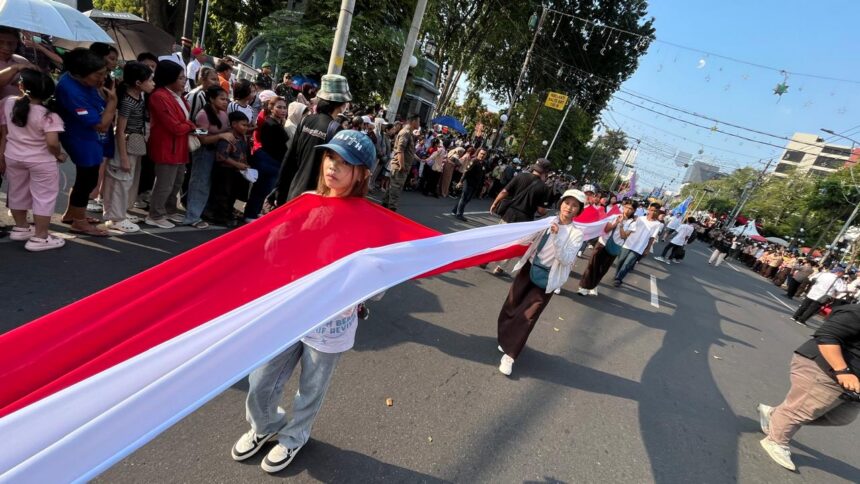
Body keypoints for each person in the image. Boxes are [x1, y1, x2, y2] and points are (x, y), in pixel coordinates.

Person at [231, 130, 377, 473]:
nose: (334, 168)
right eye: (331, 158)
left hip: (331, 322)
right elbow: (274, 255)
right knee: (261, 378)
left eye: (346, 163)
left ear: (363, 174)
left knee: (311, 388)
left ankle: (295, 436)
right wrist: (277, 237)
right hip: (289, 311)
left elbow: (379, 280)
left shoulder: (370, 220)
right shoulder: (306, 200)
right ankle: (264, 425)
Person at [757, 304, 860, 472]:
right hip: (826, 369)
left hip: (852, 384)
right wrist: (842, 371)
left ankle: (776, 415)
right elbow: (827, 336)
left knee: (842, 417)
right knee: (801, 411)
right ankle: (776, 440)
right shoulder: (856, 313)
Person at [497, 189, 586, 376]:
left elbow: (566, 258)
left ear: (578, 211)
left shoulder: (576, 233)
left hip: (548, 278)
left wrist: (557, 236)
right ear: (561, 203)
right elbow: (529, 240)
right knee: (511, 305)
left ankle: (511, 355)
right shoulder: (548, 221)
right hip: (529, 268)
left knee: (528, 315)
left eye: (574, 205)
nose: (569, 208)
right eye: (567, 203)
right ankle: (506, 339)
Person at [0, 68, 66, 251]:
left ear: (21, 86)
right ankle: (40, 237)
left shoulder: (8, 103)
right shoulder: (49, 115)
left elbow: (4, 129)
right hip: (40, 160)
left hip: (13, 156)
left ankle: (20, 227)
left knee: (17, 191)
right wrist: (59, 154)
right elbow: (52, 143)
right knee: (43, 196)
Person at [55, 48, 116, 237]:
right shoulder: (71, 90)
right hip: (81, 137)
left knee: (86, 177)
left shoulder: (81, 81)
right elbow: (101, 125)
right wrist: (113, 102)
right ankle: (79, 222)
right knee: (87, 178)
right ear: (80, 74)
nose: (102, 78)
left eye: (104, 73)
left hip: (89, 138)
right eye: (98, 75)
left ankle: (72, 214)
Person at [275, 74, 351, 204]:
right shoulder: (336, 130)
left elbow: (290, 158)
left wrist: (279, 190)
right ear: (342, 103)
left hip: (293, 190)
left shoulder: (306, 120)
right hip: (314, 196)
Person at [102, 62, 154, 233]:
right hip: (125, 144)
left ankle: (119, 212)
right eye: (150, 80)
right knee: (120, 181)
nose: (153, 83)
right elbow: (120, 129)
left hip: (133, 144)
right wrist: (123, 157)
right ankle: (116, 218)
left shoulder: (139, 97)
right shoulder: (127, 101)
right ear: (138, 83)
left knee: (126, 181)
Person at [145, 60, 197, 228]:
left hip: (179, 146)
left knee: (176, 182)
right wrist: (190, 125)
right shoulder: (159, 96)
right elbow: (174, 126)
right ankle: (155, 214)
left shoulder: (177, 95)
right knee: (164, 183)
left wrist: (187, 125)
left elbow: (181, 123)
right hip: (167, 146)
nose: (184, 81)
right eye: (181, 78)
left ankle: (168, 210)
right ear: (170, 78)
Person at [183, 86, 235, 228]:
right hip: (204, 152)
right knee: (199, 183)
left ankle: (202, 211)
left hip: (217, 153)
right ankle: (192, 217)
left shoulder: (223, 114)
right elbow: (202, 138)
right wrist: (221, 136)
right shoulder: (203, 115)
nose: (225, 102)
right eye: (222, 99)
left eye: (227, 99)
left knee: (209, 184)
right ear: (212, 99)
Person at [578, 200, 637, 295]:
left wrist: (621, 225)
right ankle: (584, 287)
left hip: (615, 247)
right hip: (602, 243)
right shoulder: (615, 216)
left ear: (634, 210)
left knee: (603, 268)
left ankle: (593, 285)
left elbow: (624, 236)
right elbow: (606, 229)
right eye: (626, 207)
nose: (628, 210)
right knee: (592, 265)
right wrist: (616, 222)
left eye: (631, 209)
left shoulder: (632, 223)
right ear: (623, 206)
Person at [245, 96, 288, 221]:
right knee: (260, 189)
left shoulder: (276, 123)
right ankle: (250, 214)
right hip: (268, 161)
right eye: (279, 107)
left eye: (284, 107)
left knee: (264, 190)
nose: (283, 110)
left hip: (272, 161)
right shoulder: (271, 124)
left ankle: (255, 212)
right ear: (271, 108)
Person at [209, 111, 250, 225]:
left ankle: (228, 214)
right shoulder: (228, 137)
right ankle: (221, 218)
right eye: (243, 125)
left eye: (247, 125)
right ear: (234, 124)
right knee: (223, 194)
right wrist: (237, 164)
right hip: (225, 170)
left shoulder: (243, 137)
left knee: (232, 194)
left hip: (237, 171)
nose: (246, 127)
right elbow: (221, 156)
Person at [614, 202, 662, 287]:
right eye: (652, 210)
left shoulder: (657, 224)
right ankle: (617, 275)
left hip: (639, 247)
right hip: (629, 243)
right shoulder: (640, 218)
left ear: (658, 212)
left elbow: (652, 237)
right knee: (620, 261)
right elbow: (631, 229)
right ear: (649, 210)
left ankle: (619, 278)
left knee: (627, 263)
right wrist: (624, 236)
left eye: (656, 211)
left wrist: (647, 249)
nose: (653, 212)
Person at [381, 114, 419, 212]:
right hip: (400, 166)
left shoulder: (409, 133)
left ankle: (384, 206)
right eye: (418, 121)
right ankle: (391, 210)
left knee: (392, 187)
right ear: (413, 121)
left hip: (402, 166)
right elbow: (400, 150)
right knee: (396, 189)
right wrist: (402, 166)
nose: (419, 124)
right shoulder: (405, 132)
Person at [452, 147, 487, 222]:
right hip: (468, 183)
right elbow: (466, 171)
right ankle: (459, 214)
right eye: (481, 154)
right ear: (478, 153)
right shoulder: (474, 161)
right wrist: (461, 181)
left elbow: (482, 175)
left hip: (475, 185)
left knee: (467, 199)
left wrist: (483, 186)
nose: (482, 155)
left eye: (484, 154)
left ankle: (455, 210)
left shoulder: (483, 163)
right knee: (464, 198)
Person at [0, 27, 33, 99]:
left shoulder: (23, 61)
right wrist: (14, 69)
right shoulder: (19, 65)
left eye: (11, 43)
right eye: (0, 42)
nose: (6, 47)